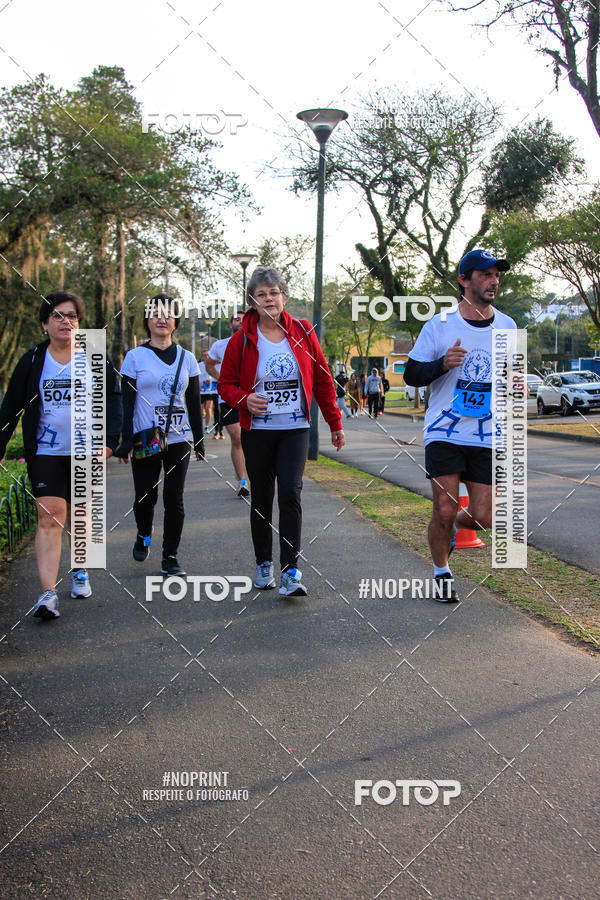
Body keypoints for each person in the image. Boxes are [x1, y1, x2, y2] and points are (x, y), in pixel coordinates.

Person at [218, 267, 345, 597]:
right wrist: (245, 399)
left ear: (284, 297)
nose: (269, 299)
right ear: (252, 302)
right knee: (262, 497)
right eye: (261, 294)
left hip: (294, 428)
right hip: (258, 431)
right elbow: (225, 384)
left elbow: (321, 380)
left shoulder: (303, 332)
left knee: (290, 491)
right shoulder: (241, 340)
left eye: (274, 292)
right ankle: (264, 564)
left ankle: (291, 570)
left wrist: (334, 423)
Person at [0, 291, 122, 619]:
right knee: (50, 514)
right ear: (44, 324)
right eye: (57, 316)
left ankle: (79, 569)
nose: (65, 321)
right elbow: (11, 406)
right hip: (45, 450)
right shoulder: (32, 360)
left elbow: (113, 399)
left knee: (80, 516)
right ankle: (47, 593)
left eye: (72, 316)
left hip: (87, 450)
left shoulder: (95, 356)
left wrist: (111, 440)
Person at [404, 249, 516, 602]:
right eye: (484, 274)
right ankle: (442, 573)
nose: (493, 280)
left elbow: (509, 375)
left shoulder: (508, 326)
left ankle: (445, 528)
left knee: (482, 517)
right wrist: (441, 364)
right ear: (464, 280)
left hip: (487, 432)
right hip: (444, 430)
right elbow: (411, 374)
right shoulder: (439, 325)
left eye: (496, 274)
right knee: (445, 506)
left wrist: (517, 383)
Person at [115, 294, 204, 576]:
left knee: (173, 497)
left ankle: (170, 557)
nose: (162, 318)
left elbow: (193, 401)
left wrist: (199, 439)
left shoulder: (187, 358)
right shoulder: (134, 357)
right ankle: (143, 532)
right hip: (147, 435)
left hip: (179, 437)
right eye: (155, 313)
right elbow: (126, 402)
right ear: (147, 320)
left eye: (168, 314)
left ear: (176, 321)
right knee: (145, 496)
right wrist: (126, 440)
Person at [205, 313, 249, 496]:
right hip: (229, 397)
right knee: (237, 437)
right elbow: (209, 365)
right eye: (236, 319)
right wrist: (223, 380)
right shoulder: (220, 345)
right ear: (231, 324)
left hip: (254, 396)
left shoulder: (258, 340)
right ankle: (242, 481)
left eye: (243, 318)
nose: (239, 321)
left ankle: (259, 475)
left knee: (255, 439)